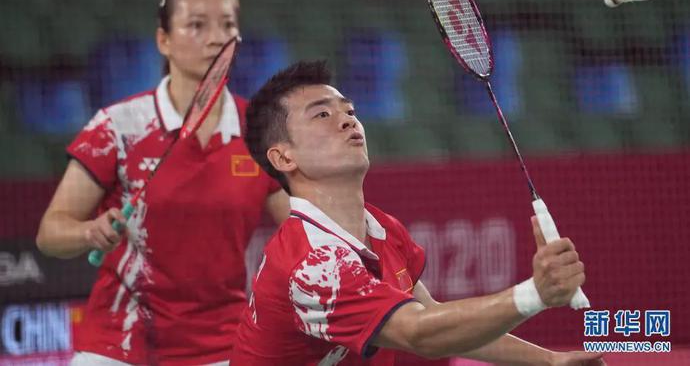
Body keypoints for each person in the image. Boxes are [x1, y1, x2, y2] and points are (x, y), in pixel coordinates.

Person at [231, 60, 604, 365]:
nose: (347, 120)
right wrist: (535, 294)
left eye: (349, 110)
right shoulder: (313, 265)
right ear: (284, 157)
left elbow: (434, 318)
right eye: (322, 115)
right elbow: (420, 333)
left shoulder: (381, 228)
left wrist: (549, 361)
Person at [36, 0, 289, 366]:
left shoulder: (259, 131)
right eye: (197, 25)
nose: (216, 38)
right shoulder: (118, 126)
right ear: (163, 40)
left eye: (227, 25)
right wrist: (89, 231)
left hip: (221, 346)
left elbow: (303, 227)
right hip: (119, 344)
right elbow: (50, 233)